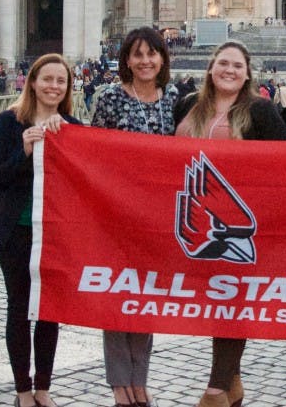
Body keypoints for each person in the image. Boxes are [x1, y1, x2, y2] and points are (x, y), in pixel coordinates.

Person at [173, 41, 286, 407]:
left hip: (239, 225)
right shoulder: (187, 104)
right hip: (192, 220)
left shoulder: (262, 111)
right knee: (210, 305)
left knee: (231, 302)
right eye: (223, 63)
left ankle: (216, 389)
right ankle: (232, 383)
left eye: (237, 65)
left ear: (248, 73)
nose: (229, 70)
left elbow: (284, 164)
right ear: (210, 68)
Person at [0, 54, 80, 407]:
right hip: (15, 230)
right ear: (33, 82)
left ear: (67, 88)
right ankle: (23, 388)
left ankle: (44, 387)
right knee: (20, 308)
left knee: (49, 311)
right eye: (47, 79)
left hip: (54, 233)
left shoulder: (72, 126)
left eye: (60, 81)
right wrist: (24, 150)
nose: (53, 86)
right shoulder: (11, 121)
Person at [91, 26, 179, 407]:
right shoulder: (109, 97)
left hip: (158, 215)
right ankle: (118, 382)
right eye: (138, 54)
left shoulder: (174, 98)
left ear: (162, 59)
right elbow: (90, 150)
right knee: (118, 295)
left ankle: (139, 378)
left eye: (152, 54)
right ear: (127, 59)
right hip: (117, 211)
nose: (145, 61)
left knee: (146, 298)